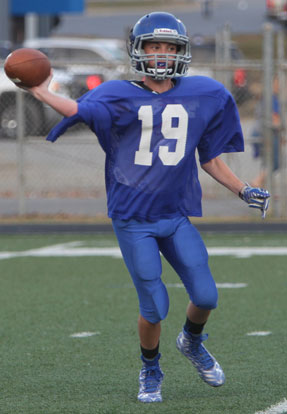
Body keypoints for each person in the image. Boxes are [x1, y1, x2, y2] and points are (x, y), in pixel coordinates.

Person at [25, 12, 270, 403]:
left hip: (174, 216)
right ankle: (151, 369)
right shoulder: (116, 94)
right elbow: (75, 110)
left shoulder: (202, 93)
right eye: (154, 46)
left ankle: (190, 342)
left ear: (181, 53)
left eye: (169, 47)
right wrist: (41, 92)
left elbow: (209, 158)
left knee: (206, 296)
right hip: (133, 219)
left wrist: (243, 190)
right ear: (138, 50)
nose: (160, 55)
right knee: (154, 306)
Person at [251, 76, 281, 187]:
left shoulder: (267, 98)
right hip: (265, 134)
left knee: (268, 162)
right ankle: (256, 183)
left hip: (259, 132)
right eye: (277, 84)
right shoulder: (272, 99)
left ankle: (263, 188)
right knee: (275, 162)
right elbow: (275, 120)